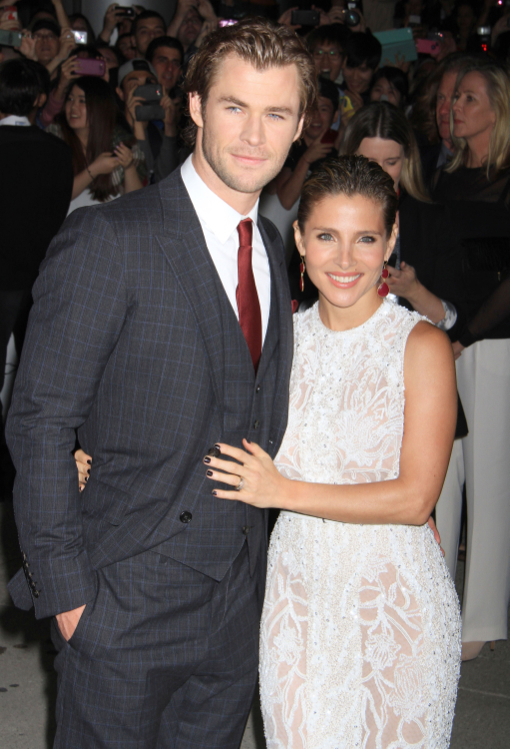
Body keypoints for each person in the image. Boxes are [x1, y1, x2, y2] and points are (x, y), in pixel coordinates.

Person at [6, 18, 316, 748]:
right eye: (235, 107)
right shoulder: (110, 238)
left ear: (302, 125)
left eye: (277, 114)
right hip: (122, 599)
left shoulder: (272, 246)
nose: (254, 135)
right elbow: (39, 420)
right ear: (197, 106)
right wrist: (70, 596)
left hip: (235, 605)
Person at [205, 154, 461, 748]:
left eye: (365, 238)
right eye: (326, 237)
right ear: (299, 238)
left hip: (394, 602)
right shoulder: (277, 342)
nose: (345, 260)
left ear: (391, 240)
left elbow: (415, 499)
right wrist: (93, 457)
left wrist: (282, 492)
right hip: (297, 597)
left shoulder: (420, 345)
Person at [340, 102, 469, 581]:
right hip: (347, 389)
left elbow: (454, 319)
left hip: (414, 393)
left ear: (408, 162)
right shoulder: (328, 213)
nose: (379, 172)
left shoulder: (431, 219)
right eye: (368, 161)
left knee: (420, 529)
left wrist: (414, 291)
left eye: (391, 162)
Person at [432, 58, 510, 661]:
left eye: (469, 99)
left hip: (496, 341)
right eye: (453, 98)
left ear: (499, 109)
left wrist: (469, 333)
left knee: (489, 478)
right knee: (441, 475)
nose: (455, 107)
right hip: (444, 335)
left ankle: (480, 618)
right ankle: (436, 601)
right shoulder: (448, 177)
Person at [0, 57, 73, 497]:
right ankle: (21, 475)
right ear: (41, 99)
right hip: (36, 281)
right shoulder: (56, 152)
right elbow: (57, 217)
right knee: (33, 385)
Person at [47, 75, 145, 213]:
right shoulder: (54, 137)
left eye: (82, 101)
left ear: (99, 106)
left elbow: (136, 204)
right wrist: (94, 169)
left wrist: (129, 167)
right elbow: (55, 195)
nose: (73, 106)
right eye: (70, 99)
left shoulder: (121, 141)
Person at [116, 58, 180, 183]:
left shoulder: (158, 133)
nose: (142, 90)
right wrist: (138, 123)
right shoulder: (113, 131)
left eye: (148, 85)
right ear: (120, 93)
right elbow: (141, 181)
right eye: (134, 85)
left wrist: (169, 126)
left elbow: (167, 180)